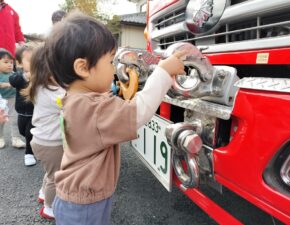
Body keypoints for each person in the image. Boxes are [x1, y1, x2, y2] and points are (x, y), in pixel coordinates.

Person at [45, 11, 185, 225]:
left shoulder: (75, 99)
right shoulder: (94, 108)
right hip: (84, 206)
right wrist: (163, 72)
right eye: (110, 62)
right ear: (82, 68)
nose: (113, 69)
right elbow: (137, 112)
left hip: (75, 198)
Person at [22, 45, 65, 219]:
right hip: (51, 144)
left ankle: (42, 193)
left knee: (50, 173)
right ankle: (49, 208)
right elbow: (70, 101)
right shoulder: (53, 92)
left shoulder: (40, 87)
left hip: (41, 141)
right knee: (56, 177)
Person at [9, 45, 36, 166]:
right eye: (30, 60)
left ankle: (29, 153)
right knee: (22, 131)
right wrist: (26, 76)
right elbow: (13, 81)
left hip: (35, 111)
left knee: (30, 133)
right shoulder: (18, 75)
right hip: (21, 112)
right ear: (19, 63)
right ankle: (35, 146)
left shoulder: (39, 75)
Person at [0, 48, 25, 149]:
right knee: (1, 121)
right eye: (6, 62)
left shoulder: (13, 74)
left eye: (11, 62)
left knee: (15, 119)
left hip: (13, 99)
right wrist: (5, 84)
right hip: (1, 100)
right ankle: (0, 138)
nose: (10, 64)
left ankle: (16, 138)